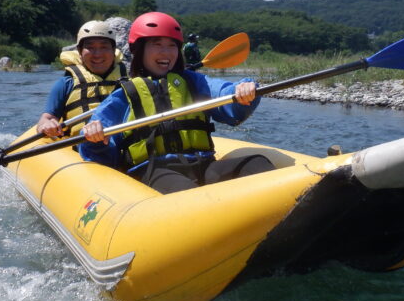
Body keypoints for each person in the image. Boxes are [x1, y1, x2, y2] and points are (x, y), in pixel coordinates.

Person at [80, 12, 274, 193]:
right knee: (186, 191)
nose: (166, 52)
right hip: (153, 171)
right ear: (139, 50)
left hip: (204, 165)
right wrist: (95, 136)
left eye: (172, 45)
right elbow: (102, 143)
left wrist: (243, 90)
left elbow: (225, 98)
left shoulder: (193, 82)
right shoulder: (124, 94)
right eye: (157, 44)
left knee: (256, 163)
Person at [36, 20, 127, 138]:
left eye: (104, 47)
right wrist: (46, 125)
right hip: (78, 151)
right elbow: (46, 119)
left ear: (113, 51)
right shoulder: (66, 84)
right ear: (80, 52)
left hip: (122, 149)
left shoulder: (128, 82)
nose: (97, 54)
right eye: (90, 47)